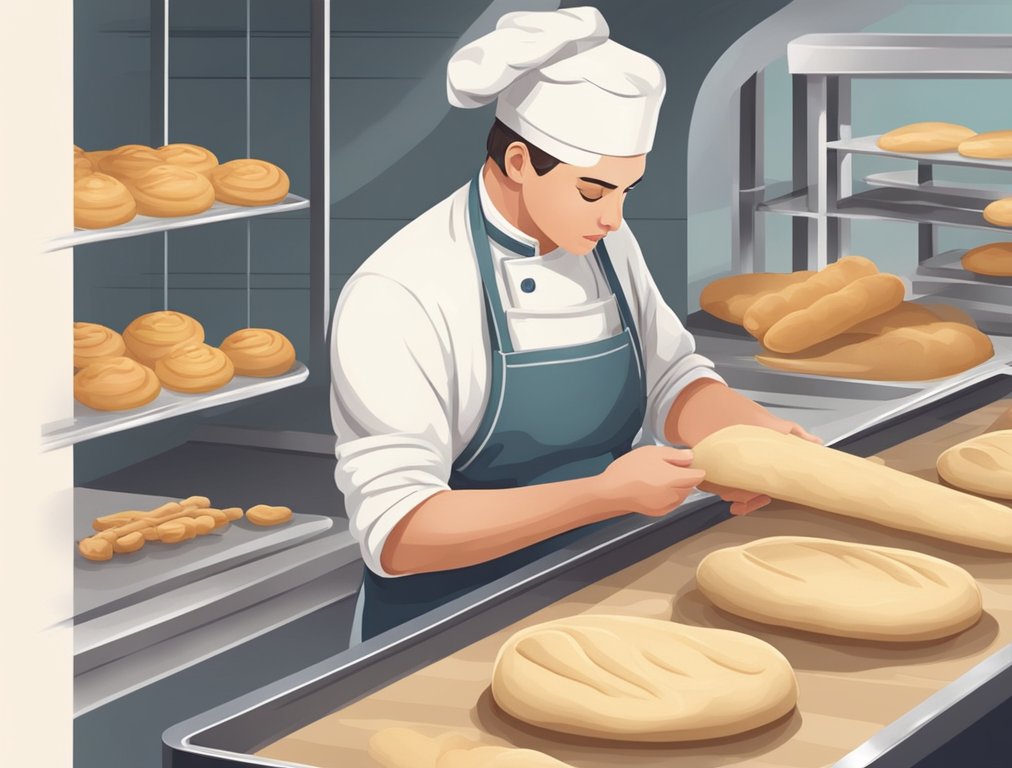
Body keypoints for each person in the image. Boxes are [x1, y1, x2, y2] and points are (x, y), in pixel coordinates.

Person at [330, 7, 816, 644]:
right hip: (444, 628)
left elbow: (670, 380)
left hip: (602, 594)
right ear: (519, 162)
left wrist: (749, 433)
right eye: (594, 192)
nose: (613, 218)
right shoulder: (400, 292)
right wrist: (605, 496)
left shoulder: (600, 239)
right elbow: (399, 533)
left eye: (626, 192)